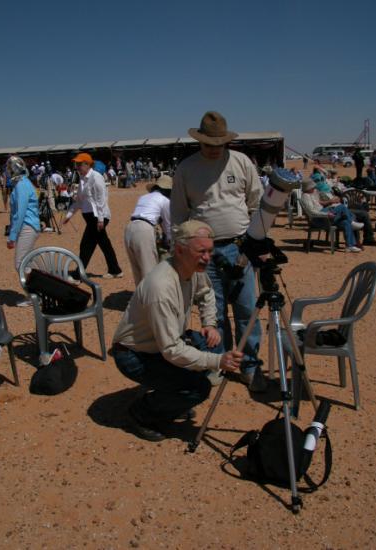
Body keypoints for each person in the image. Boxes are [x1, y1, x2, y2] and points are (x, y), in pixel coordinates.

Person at [111, 220, 243, 441]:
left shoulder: (192, 267)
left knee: (208, 344)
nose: (207, 257)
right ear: (180, 250)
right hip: (134, 355)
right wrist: (218, 362)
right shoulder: (161, 287)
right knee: (199, 388)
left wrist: (209, 323)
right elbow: (172, 349)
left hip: (162, 345)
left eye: (210, 251)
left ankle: (169, 395)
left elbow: (206, 292)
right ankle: (141, 413)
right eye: (201, 251)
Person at [171, 111, 266, 392]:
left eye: (218, 144)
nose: (213, 150)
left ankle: (250, 366)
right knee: (214, 313)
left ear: (226, 141)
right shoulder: (186, 169)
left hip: (240, 247)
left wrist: (256, 242)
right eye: (208, 144)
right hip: (204, 255)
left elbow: (257, 203)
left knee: (247, 309)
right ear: (199, 141)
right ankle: (218, 364)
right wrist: (181, 250)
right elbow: (178, 213)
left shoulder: (241, 162)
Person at [63, 152, 123, 280]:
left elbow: (101, 199)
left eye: (79, 164)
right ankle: (115, 270)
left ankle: (78, 274)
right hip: (91, 217)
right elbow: (79, 200)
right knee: (104, 243)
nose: (77, 166)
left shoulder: (96, 177)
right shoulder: (82, 179)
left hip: (98, 217)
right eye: (76, 164)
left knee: (86, 244)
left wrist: (100, 219)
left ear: (87, 164)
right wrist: (69, 215)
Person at [124, 174, 172, 286]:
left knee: (137, 268)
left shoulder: (144, 197)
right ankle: (151, 300)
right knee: (149, 269)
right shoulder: (165, 200)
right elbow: (168, 226)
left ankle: (140, 299)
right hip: (144, 229)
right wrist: (169, 241)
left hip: (130, 227)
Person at [6, 156, 41, 307]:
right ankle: (36, 293)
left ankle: (34, 296)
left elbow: (20, 213)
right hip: (27, 226)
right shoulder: (23, 183)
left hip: (27, 226)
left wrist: (12, 236)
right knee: (27, 262)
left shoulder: (21, 185)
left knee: (20, 263)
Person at [301, 179, 365, 252]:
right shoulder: (305, 196)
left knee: (345, 222)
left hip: (323, 217)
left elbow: (318, 204)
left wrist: (330, 204)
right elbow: (312, 212)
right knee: (342, 207)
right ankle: (352, 222)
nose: (314, 188)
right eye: (312, 187)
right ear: (308, 188)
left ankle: (349, 246)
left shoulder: (311, 195)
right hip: (318, 219)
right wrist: (327, 213)